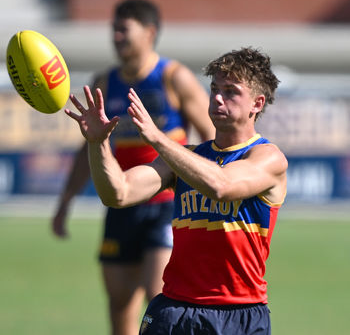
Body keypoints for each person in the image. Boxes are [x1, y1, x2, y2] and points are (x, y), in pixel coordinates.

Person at [64, 47, 288, 335]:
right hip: (174, 311)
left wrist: (158, 138)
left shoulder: (267, 158)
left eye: (231, 91)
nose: (218, 98)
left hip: (238, 314)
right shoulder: (186, 158)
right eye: (214, 88)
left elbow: (222, 185)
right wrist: (98, 143)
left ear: (256, 103)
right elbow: (117, 193)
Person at [51, 0, 215, 335]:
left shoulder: (174, 78)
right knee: (119, 300)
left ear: (150, 32)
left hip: (166, 206)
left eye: (124, 29)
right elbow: (89, 149)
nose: (116, 36)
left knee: (161, 298)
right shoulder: (104, 83)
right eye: (113, 29)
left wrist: (209, 194)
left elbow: (213, 137)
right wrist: (65, 200)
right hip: (121, 204)